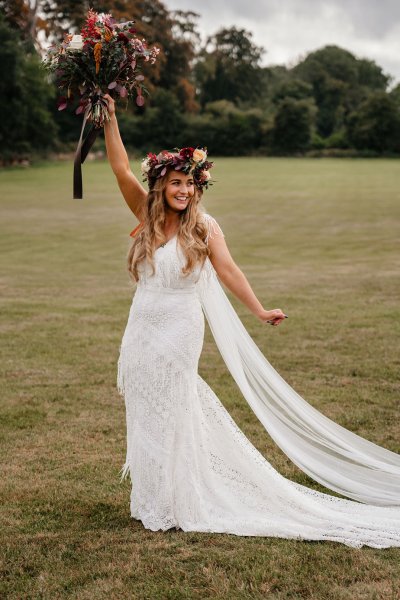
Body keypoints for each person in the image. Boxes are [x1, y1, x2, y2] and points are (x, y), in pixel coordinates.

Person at [103, 95, 400, 548]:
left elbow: (229, 271)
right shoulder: (145, 215)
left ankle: (180, 498)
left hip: (180, 328)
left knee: (174, 406)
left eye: (190, 184)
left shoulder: (204, 227)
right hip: (141, 327)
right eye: (176, 183)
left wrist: (259, 309)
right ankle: (152, 498)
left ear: (197, 188)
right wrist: (110, 118)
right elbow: (121, 169)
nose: (183, 191)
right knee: (145, 408)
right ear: (162, 185)